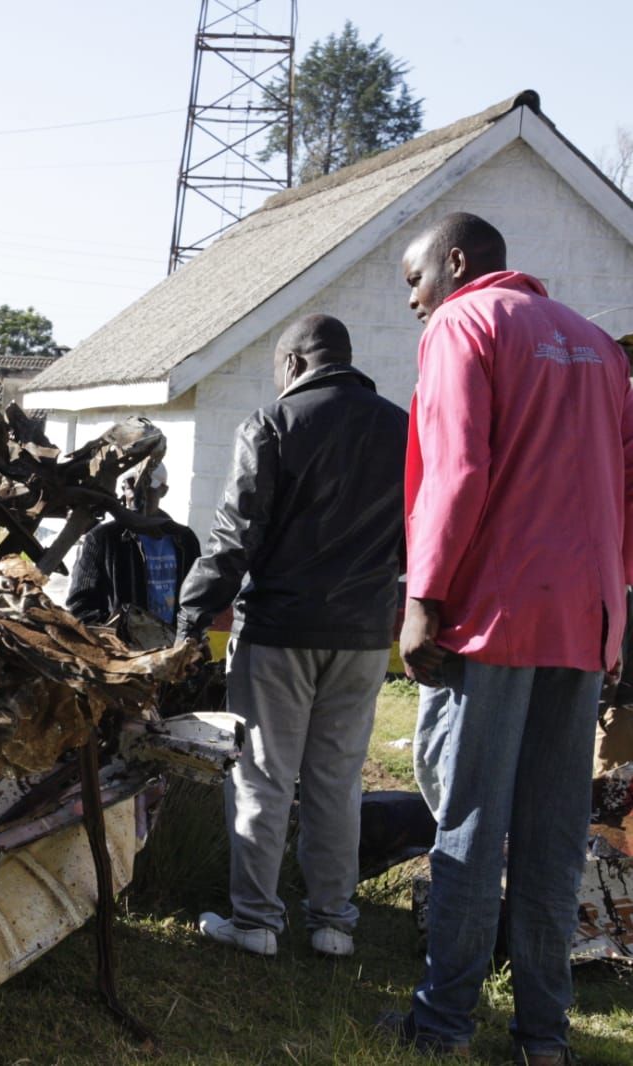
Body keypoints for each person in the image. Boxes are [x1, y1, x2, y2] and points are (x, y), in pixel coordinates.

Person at [380, 213, 633, 1065]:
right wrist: (615, 609)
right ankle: (542, 1038)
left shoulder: (464, 322)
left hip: (491, 617)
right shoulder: (600, 345)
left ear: (453, 265)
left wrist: (424, 599)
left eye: (413, 281)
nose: (412, 303)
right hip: (583, 619)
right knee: (555, 838)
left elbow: (454, 471)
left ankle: (443, 1023)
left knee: (470, 825)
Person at [175, 313, 408, 958]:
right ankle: (333, 923)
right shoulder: (402, 428)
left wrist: (191, 618)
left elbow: (233, 537)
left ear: (294, 364)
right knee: (337, 780)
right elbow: (415, 540)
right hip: (363, 637)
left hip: (279, 631)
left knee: (262, 776)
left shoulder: (272, 424)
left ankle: (255, 922)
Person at [66, 462, 199, 629]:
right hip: (124, 650)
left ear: (164, 490)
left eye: (148, 487)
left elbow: (197, 598)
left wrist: (189, 634)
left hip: (174, 646)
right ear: (122, 490)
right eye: (131, 487)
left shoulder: (184, 540)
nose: (138, 495)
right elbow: (80, 603)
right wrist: (114, 634)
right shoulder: (102, 538)